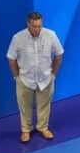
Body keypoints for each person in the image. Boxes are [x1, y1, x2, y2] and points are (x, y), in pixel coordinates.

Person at [6, 11, 64, 143]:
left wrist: (53, 74)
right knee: (25, 106)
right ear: (28, 25)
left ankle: (43, 127)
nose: (37, 29)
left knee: (44, 105)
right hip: (25, 79)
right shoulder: (18, 38)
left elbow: (59, 54)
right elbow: (11, 58)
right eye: (34, 26)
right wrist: (17, 77)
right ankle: (26, 130)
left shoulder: (51, 35)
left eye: (39, 26)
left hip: (46, 78)